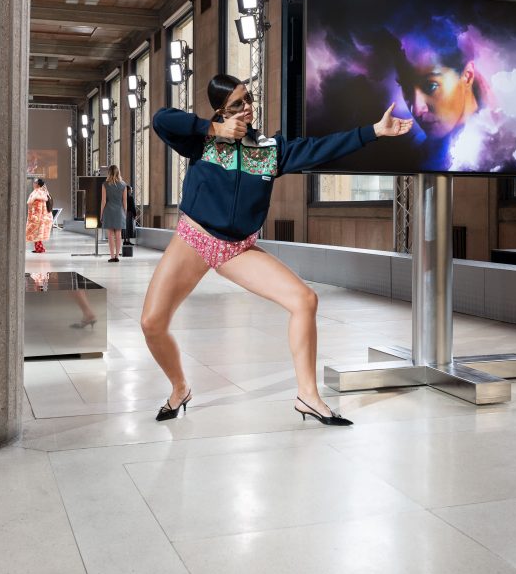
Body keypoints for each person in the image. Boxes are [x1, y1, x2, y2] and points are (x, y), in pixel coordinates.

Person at [142, 73, 411, 427]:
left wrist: (373, 131)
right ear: (221, 109)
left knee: (305, 300)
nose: (247, 107)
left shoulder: (269, 150)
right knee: (151, 324)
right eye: (237, 103)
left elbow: (321, 147)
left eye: (249, 99)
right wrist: (210, 128)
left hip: (237, 249)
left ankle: (308, 396)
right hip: (194, 239)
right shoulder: (202, 142)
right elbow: (160, 119)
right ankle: (180, 388)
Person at [395, 23, 490, 170]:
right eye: (406, 88)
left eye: (431, 86)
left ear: (467, 75)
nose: (416, 110)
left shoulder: (509, 148)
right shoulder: (413, 156)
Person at [100, 165, 127, 262]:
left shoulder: (105, 185)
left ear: (109, 173)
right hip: (119, 211)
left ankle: (112, 256)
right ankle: (117, 256)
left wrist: (101, 213)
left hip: (109, 211)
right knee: (118, 234)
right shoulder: (123, 185)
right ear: (118, 172)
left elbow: (103, 201)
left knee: (110, 235)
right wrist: (125, 213)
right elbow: (125, 201)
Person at [26, 178, 53, 253]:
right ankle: (40, 248)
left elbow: (38, 208)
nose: (33, 184)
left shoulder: (37, 194)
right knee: (38, 234)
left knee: (36, 233)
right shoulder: (43, 192)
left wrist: (34, 217)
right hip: (41, 217)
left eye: (34, 182)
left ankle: (39, 248)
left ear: (37, 184)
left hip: (38, 217)